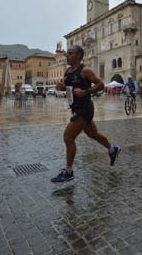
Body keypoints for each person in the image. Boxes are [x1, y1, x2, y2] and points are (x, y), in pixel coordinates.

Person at [51, 45, 121, 183]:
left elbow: (101, 84)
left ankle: (69, 171)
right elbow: (69, 89)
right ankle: (113, 149)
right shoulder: (68, 72)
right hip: (76, 108)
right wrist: (62, 88)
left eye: (70, 53)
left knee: (68, 137)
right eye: (66, 53)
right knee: (92, 134)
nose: (67, 55)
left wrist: (85, 92)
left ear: (78, 55)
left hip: (85, 109)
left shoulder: (85, 70)